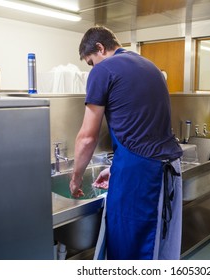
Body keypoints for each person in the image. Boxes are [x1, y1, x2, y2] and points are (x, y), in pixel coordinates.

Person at [69, 26, 183, 260]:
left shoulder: (103, 71)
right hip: (168, 170)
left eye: (91, 62)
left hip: (140, 177)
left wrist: (76, 178)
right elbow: (145, 130)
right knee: (157, 248)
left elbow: (87, 137)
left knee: (130, 251)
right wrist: (116, 168)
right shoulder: (150, 67)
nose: (92, 68)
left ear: (100, 48)